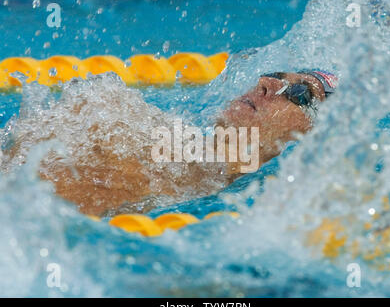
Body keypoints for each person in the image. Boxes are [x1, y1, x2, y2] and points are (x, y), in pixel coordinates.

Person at [1, 70, 337, 216]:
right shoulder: (157, 128)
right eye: (276, 74)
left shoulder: (199, 196)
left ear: (313, 140)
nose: (267, 83)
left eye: (300, 93)